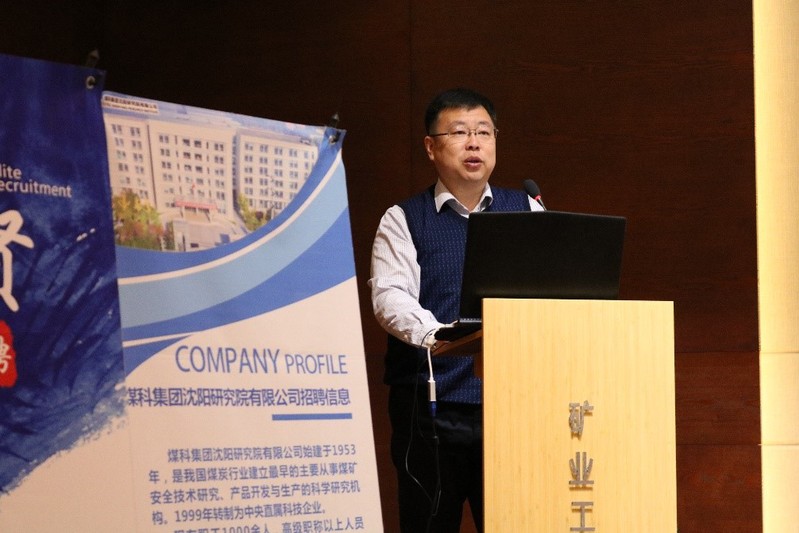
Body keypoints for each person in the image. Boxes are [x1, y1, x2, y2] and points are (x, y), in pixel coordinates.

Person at [369, 88, 544, 532]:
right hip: (431, 409)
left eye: (484, 132)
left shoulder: (527, 209)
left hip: (513, 408)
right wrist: (442, 335)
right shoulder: (404, 218)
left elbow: (552, 292)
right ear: (431, 147)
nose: (474, 143)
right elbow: (390, 296)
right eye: (460, 132)